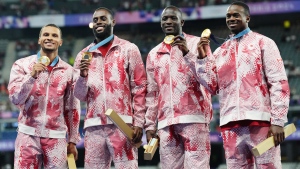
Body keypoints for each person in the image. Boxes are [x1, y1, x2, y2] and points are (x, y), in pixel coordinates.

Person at [194, 1, 290, 168]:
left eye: (236, 15)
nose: (231, 18)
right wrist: (202, 60)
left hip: (260, 121)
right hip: (230, 123)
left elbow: (278, 83)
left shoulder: (263, 43)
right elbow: (212, 87)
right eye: (228, 16)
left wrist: (278, 121)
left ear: (247, 17)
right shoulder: (220, 51)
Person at [73, 7, 147, 169]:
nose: (98, 22)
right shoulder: (83, 55)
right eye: (95, 20)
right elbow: (79, 95)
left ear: (113, 22)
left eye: (103, 19)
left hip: (123, 123)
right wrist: (82, 76)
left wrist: (139, 123)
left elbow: (140, 87)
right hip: (94, 127)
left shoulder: (128, 49)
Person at [144, 5, 213, 169]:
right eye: (164, 19)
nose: (168, 21)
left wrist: (187, 53)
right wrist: (149, 125)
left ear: (181, 21)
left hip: (195, 118)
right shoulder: (154, 54)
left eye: (173, 18)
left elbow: (210, 81)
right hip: (166, 123)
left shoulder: (198, 44)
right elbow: (152, 93)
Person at [8, 23, 81, 168]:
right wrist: (31, 76)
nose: (50, 38)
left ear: (60, 42)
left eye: (54, 35)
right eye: (46, 35)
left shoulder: (69, 71)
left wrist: (72, 141)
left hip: (56, 138)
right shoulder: (22, 65)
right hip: (27, 136)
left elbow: (72, 109)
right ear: (39, 40)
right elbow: (15, 98)